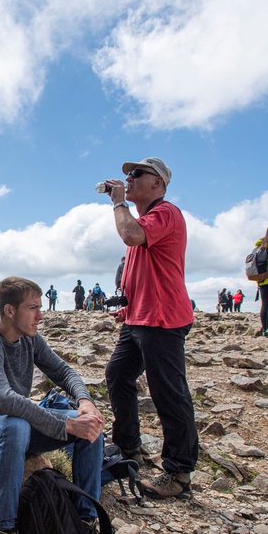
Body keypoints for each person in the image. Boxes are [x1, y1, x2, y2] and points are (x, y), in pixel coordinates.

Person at [0, 277, 104, 534]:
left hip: (23, 425)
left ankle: (83, 527)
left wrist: (85, 402)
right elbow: (2, 399)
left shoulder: (31, 338)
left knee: (90, 429)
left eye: (40, 307)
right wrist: (64, 424)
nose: (40, 316)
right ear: (10, 310)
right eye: (33, 308)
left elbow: (63, 371)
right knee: (15, 426)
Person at [102, 156, 198, 499]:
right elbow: (146, 269)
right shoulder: (148, 218)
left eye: (137, 174)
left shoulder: (164, 213)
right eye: (128, 174)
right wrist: (128, 307)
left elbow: (130, 236)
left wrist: (117, 203)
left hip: (162, 319)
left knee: (168, 391)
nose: (128, 179)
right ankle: (128, 445)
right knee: (118, 375)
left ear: (157, 183)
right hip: (140, 317)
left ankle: (179, 471)